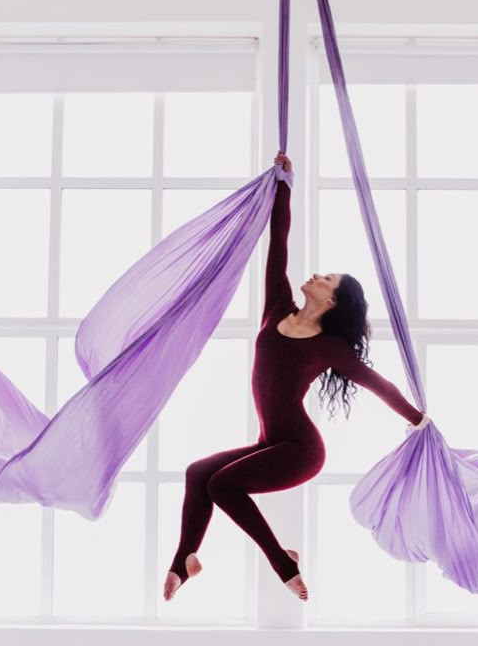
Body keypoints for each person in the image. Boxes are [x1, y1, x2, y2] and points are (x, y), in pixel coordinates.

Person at [163, 152, 429, 603]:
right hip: (271, 444)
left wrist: (417, 418)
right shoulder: (278, 307)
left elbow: (377, 383)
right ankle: (185, 558)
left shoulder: (330, 348)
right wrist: (284, 183)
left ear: (332, 301)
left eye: (328, 278)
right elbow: (278, 241)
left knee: (222, 483)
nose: (317, 275)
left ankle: (282, 562)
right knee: (198, 473)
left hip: (301, 451)